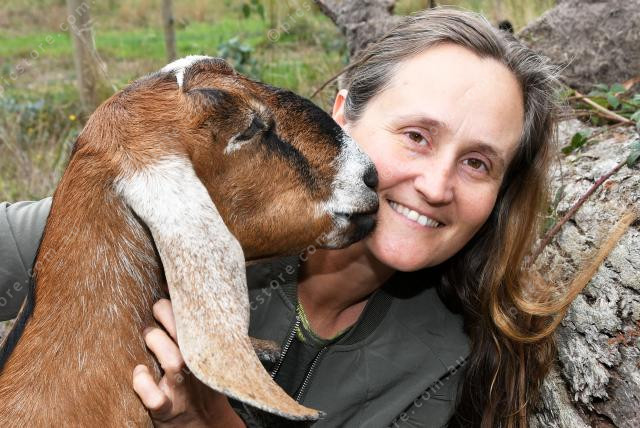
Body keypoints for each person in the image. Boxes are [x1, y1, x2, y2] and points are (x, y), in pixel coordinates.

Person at [0, 8, 565, 427]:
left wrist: (207, 419)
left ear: (501, 191)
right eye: (416, 136)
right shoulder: (172, 214)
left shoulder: (444, 363)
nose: (436, 187)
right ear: (343, 114)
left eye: (478, 163)